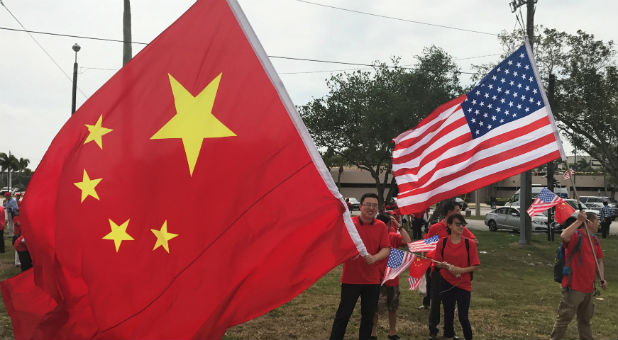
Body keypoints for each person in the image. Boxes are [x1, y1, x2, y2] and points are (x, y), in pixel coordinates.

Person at [330, 193, 391, 340]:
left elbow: (386, 248)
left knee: (368, 317)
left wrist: (375, 258)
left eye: (374, 206)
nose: (371, 208)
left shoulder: (381, 226)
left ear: (378, 208)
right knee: (343, 315)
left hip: (372, 280)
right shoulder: (350, 224)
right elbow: (337, 245)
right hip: (351, 279)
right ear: (361, 206)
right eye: (368, 205)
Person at [424, 200, 478, 340]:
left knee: (453, 306)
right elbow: (426, 247)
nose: (459, 213)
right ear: (449, 213)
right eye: (457, 210)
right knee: (436, 301)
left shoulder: (459, 226)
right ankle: (433, 330)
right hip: (439, 271)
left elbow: (474, 241)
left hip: (460, 273)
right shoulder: (435, 228)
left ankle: (450, 332)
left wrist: (459, 237)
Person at [550, 211, 607, 340]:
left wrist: (601, 278)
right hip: (573, 287)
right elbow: (564, 236)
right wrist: (579, 221)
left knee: (585, 319)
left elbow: (599, 260)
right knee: (564, 318)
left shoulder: (594, 239)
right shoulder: (576, 236)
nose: (599, 223)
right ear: (589, 222)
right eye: (597, 220)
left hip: (588, 288)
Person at [371, 213, 412, 340]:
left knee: (392, 307)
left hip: (392, 278)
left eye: (387, 225)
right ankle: (372, 332)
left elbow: (409, 242)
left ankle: (392, 332)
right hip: (376, 278)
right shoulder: (373, 237)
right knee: (374, 308)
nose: (386, 227)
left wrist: (399, 227)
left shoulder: (393, 236)